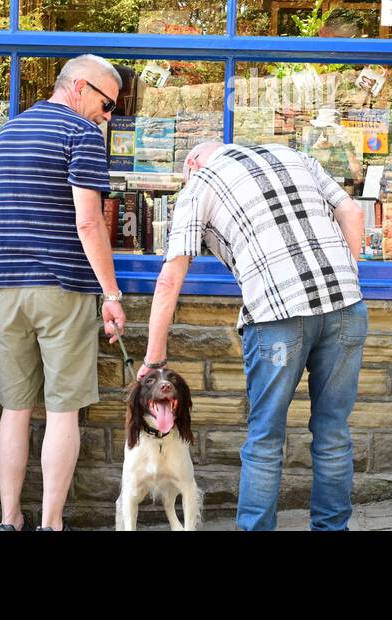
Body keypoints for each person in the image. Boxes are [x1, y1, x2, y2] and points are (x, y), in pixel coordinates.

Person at [140, 140, 366, 531]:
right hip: (346, 306)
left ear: (192, 162)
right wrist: (349, 275)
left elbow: (170, 277)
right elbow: (351, 209)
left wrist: (154, 359)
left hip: (278, 316)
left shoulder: (200, 183)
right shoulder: (293, 155)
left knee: (265, 437)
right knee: (333, 432)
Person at [0, 54, 127, 531]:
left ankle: (9, 520)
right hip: (64, 289)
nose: (107, 116)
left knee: (15, 408)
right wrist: (111, 293)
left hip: (9, 288)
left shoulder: (4, 134)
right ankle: (51, 523)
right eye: (107, 104)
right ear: (81, 87)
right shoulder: (81, 135)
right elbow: (88, 222)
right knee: (63, 411)